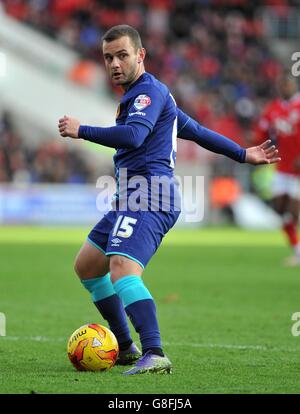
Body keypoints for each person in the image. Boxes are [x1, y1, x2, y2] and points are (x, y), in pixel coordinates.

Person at [58, 24, 280, 375]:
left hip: (150, 194)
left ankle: (154, 351)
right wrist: (242, 153)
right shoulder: (150, 96)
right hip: (129, 196)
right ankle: (126, 347)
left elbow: (132, 136)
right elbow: (196, 131)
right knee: (87, 265)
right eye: (108, 57)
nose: (114, 63)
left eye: (122, 55)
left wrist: (81, 129)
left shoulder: (148, 93)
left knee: (122, 269)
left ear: (141, 55)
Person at [254, 74, 300, 266]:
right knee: (280, 210)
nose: (285, 88)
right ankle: (297, 251)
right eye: (282, 85)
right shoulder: (273, 109)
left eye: (288, 84)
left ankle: (298, 253)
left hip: (298, 170)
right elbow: (261, 132)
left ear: (294, 86)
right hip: (282, 167)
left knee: (292, 212)